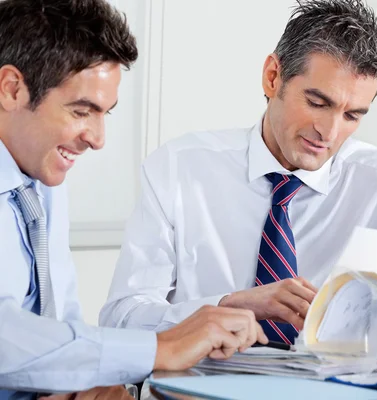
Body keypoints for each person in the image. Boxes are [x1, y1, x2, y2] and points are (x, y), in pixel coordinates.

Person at [100, 0, 377, 358]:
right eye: (317, 102)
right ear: (273, 77)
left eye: (352, 115)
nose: (329, 132)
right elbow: (122, 317)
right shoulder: (178, 169)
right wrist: (229, 304)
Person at [0, 1, 267, 399]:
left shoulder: (41, 182)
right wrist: (163, 347)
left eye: (105, 113)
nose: (97, 138)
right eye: (82, 111)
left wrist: (84, 386)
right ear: (11, 89)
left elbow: (61, 327)